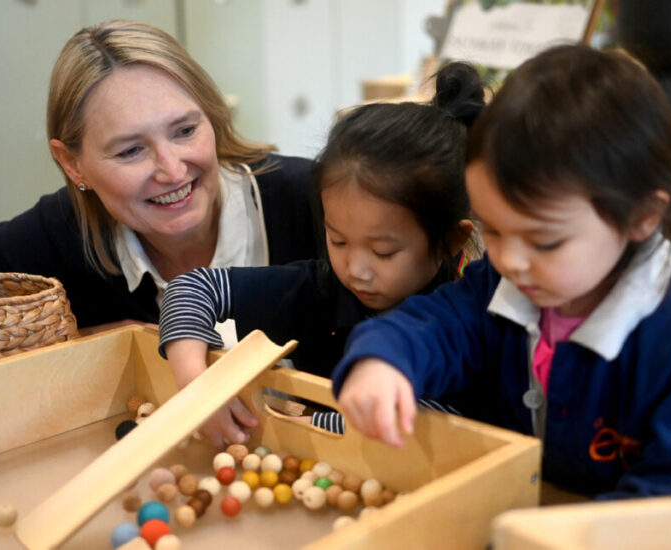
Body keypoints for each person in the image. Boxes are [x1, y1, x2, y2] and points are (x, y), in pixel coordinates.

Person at [331, 44, 671, 500]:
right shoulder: (501, 285)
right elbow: (431, 326)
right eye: (496, 231)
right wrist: (382, 361)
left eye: (545, 241)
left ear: (641, 217)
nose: (511, 260)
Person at [0, 20, 321, 350]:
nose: (173, 170)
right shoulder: (59, 232)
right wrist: (78, 345)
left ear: (213, 116)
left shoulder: (310, 200)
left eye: (185, 131)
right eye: (130, 151)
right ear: (72, 163)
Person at [157, 62, 486, 449]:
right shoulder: (319, 287)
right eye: (338, 240)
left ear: (450, 239)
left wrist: (313, 421)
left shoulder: (466, 315)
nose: (356, 269)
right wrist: (197, 385)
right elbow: (192, 288)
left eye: (383, 251)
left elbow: (439, 421)